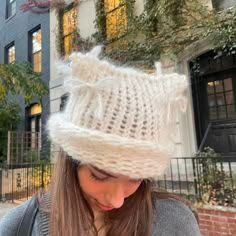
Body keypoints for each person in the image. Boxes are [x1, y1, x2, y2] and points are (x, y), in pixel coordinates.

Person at [0, 47, 201, 236]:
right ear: (70, 161)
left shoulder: (176, 223)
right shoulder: (18, 226)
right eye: (100, 176)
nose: (117, 200)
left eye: (135, 179)